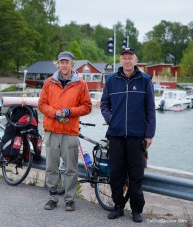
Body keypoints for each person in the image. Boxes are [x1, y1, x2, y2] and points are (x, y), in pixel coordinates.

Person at [100, 47, 156, 223]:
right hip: (115, 135)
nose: (127, 61)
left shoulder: (145, 80)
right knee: (116, 173)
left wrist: (149, 134)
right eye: (124, 58)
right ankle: (118, 206)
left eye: (130, 58)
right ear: (120, 60)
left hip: (137, 136)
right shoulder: (111, 80)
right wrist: (112, 120)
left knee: (136, 175)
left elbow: (150, 109)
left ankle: (136, 210)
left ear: (135, 60)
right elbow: (104, 104)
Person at [38, 51, 92, 211]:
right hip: (52, 131)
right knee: (51, 167)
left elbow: (87, 107)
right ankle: (53, 197)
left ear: (72, 64)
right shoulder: (49, 82)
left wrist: (69, 112)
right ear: (58, 64)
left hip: (70, 132)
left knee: (71, 169)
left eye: (67, 62)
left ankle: (70, 200)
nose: (64, 65)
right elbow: (41, 104)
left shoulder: (81, 84)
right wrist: (55, 113)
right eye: (61, 62)